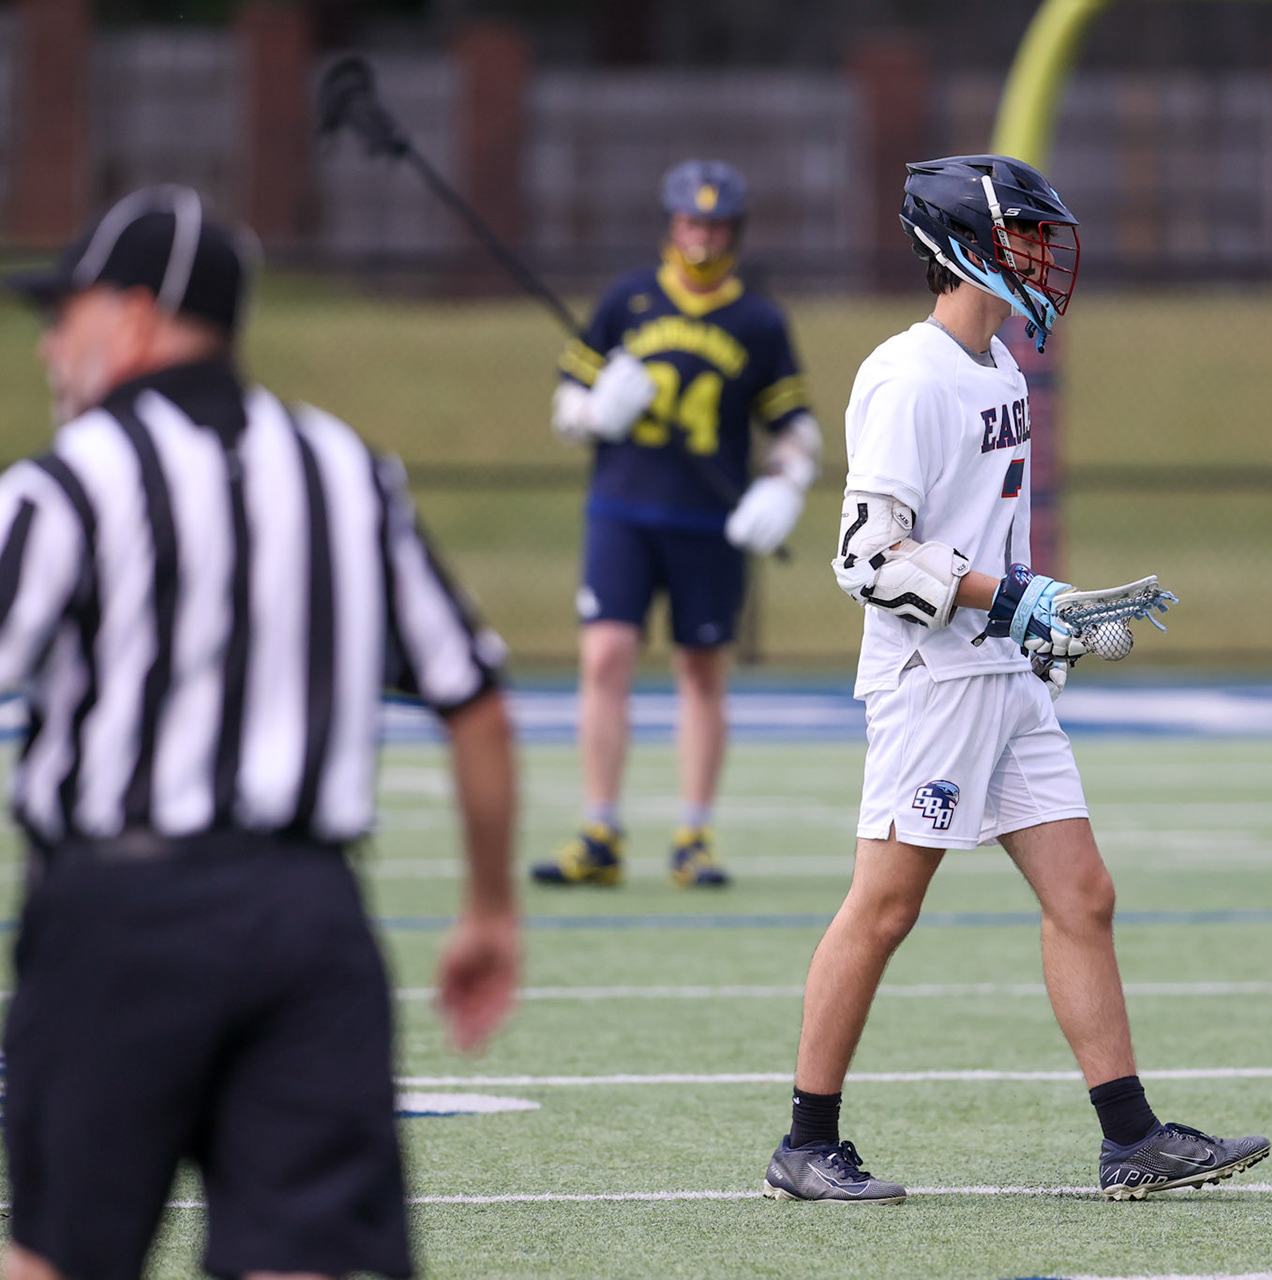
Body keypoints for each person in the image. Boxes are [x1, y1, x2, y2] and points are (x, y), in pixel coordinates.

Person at [0, 185, 521, 1280]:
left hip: (117, 913)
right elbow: (471, 696)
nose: (50, 345)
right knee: (301, 1260)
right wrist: (487, 907)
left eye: (68, 311)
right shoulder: (344, 470)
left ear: (135, 314)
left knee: (59, 1251)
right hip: (307, 918)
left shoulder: (65, 487)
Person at [762, 155, 1268, 1204]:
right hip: (931, 682)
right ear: (967, 247)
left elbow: (982, 540)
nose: (1044, 253)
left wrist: (1051, 611)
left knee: (1084, 893)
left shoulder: (997, 367)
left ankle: (1129, 1136)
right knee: (886, 905)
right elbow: (866, 558)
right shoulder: (911, 374)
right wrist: (1007, 600)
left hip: (1002, 675)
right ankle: (805, 1141)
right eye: (1028, 236)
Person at [533, 159, 820, 889]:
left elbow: (795, 425)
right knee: (605, 659)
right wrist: (595, 412)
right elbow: (567, 399)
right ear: (671, 223)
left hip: (708, 523)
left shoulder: (758, 320)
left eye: (717, 224)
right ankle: (600, 827)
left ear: (736, 232)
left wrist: (783, 486)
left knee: (701, 672)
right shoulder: (627, 298)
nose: (702, 236)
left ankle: (693, 833)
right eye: (692, 221)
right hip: (623, 510)